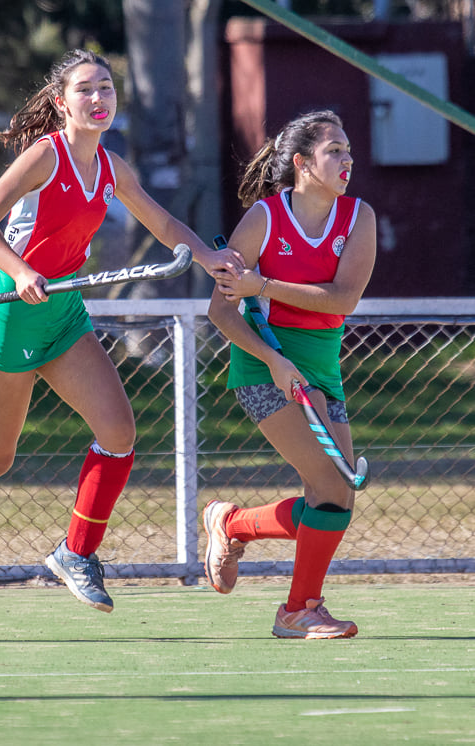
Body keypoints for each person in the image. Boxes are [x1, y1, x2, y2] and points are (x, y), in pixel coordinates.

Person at [0, 49, 239, 636]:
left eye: (107, 88)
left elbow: (163, 224)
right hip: (10, 318)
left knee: (118, 432)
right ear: (62, 103)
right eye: (85, 90)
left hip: (62, 315)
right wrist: (20, 270)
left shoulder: (113, 168)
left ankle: (76, 553)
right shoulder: (44, 156)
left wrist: (208, 255)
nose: (98, 99)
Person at [204, 109, 376, 639]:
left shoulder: (359, 217)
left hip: (322, 365)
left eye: (348, 151)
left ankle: (233, 524)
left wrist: (264, 287)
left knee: (336, 496)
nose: (347, 160)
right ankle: (299, 610)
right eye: (334, 152)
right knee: (330, 485)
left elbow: (344, 298)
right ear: (302, 163)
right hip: (264, 366)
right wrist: (274, 360)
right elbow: (221, 310)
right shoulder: (263, 219)